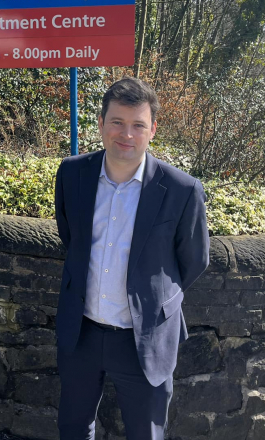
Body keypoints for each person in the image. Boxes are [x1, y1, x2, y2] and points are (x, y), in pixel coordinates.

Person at [54, 76, 210, 439]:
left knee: (146, 434)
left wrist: (152, 297)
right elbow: (71, 239)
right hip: (82, 332)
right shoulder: (72, 174)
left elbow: (194, 260)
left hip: (144, 337)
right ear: (101, 124)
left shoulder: (182, 190)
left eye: (138, 125)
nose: (127, 134)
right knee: (74, 428)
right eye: (117, 122)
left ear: (152, 129)